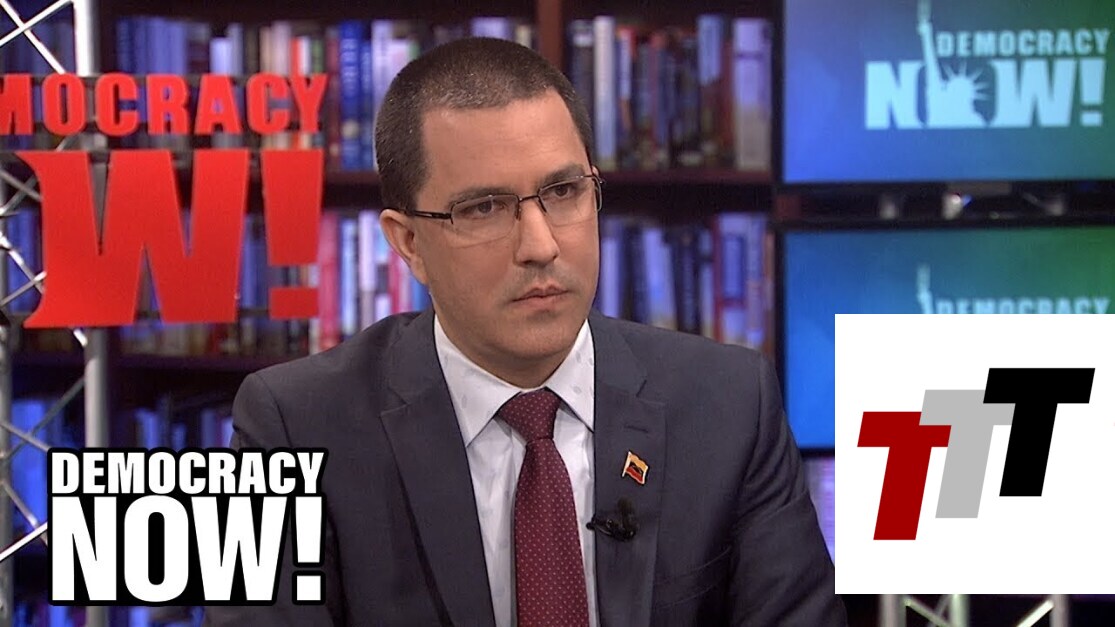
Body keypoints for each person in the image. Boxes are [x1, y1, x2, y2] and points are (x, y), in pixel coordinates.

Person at [205, 37, 844, 626]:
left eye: (563, 192)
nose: (541, 245)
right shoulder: (288, 425)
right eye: (484, 207)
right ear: (408, 243)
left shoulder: (732, 404)